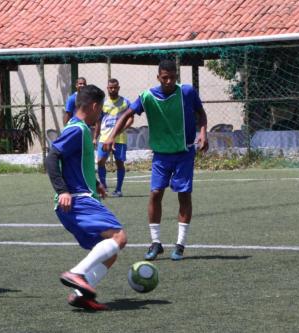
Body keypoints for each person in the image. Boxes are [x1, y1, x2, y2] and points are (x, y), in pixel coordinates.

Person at [103, 59, 208, 261]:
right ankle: (155, 243)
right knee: (155, 194)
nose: (169, 81)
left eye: (172, 77)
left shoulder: (186, 92)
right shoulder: (148, 96)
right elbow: (126, 114)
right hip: (161, 155)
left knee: (184, 196)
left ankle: (180, 245)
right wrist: (111, 136)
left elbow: (201, 114)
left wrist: (203, 133)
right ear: (158, 77)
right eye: (165, 77)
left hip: (184, 152)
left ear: (176, 77)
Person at [45, 85, 128, 311]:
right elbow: (51, 158)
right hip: (77, 200)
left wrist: (96, 183)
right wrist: (62, 190)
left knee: (109, 252)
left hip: (80, 197)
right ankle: (77, 273)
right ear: (94, 106)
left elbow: (74, 163)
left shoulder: (77, 128)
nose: (100, 114)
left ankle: (81, 295)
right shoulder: (78, 130)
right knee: (119, 237)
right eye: (100, 109)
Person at [93, 78, 134, 197]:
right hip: (104, 138)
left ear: (118, 88)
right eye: (110, 87)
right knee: (100, 161)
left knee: (119, 163)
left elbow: (131, 119)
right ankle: (104, 187)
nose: (112, 89)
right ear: (107, 88)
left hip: (120, 138)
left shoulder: (125, 102)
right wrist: (95, 137)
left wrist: (120, 130)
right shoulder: (103, 103)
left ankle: (118, 190)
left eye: (115, 87)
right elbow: (98, 122)